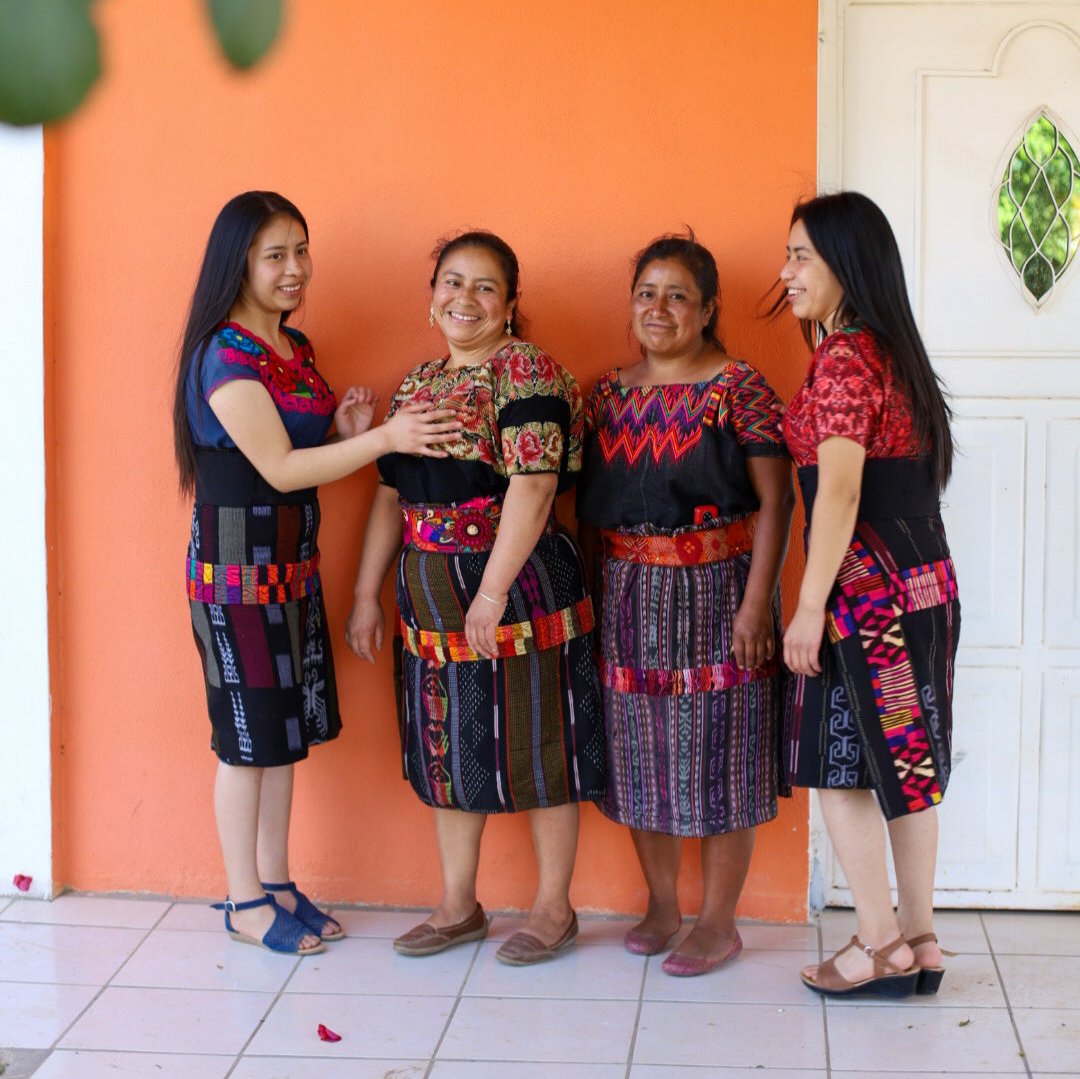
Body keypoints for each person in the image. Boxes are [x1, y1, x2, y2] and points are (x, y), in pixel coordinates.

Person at [174, 191, 460, 956]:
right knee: (246, 739)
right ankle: (241, 899)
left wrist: (343, 429)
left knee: (282, 734)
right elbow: (275, 464)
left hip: (290, 569)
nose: (296, 268)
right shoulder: (224, 355)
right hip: (236, 575)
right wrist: (387, 439)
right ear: (237, 263)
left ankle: (275, 881)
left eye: (301, 250)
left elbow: (298, 452)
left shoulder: (291, 348)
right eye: (276, 255)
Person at [345, 230, 605, 966]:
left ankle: (554, 907)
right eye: (452, 283)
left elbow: (536, 485)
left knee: (543, 740)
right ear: (432, 300)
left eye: (486, 286)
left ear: (512, 305)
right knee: (447, 745)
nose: (466, 298)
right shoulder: (416, 384)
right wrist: (367, 592)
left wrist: (491, 592)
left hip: (517, 588)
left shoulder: (527, 372)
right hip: (430, 595)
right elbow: (392, 496)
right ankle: (459, 904)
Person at [576, 234, 794, 976]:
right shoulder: (604, 394)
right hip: (629, 592)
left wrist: (757, 603)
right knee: (637, 750)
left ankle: (718, 920)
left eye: (676, 295)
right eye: (646, 293)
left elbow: (777, 501)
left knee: (722, 751)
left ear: (708, 308)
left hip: (720, 590)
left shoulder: (740, 389)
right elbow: (582, 507)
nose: (658, 309)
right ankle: (663, 903)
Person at [777, 191, 960, 997]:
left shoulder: (847, 357)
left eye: (801, 257)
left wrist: (811, 604)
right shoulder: (897, 354)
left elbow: (840, 493)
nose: (785, 273)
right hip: (924, 581)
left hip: (865, 594)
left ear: (847, 264)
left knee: (838, 764)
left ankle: (878, 945)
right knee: (910, 762)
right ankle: (919, 938)